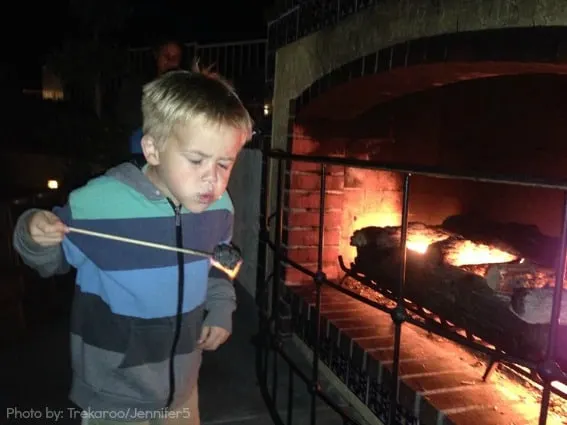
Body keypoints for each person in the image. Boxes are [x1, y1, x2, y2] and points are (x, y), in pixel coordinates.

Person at [13, 68, 253, 424]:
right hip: (114, 394)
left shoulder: (219, 208)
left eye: (224, 163)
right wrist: (31, 231)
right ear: (153, 149)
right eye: (197, 160)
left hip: (184, 388)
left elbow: (218, 260)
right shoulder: (99, 203)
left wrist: (220, 308)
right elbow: (49, 261)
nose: (212, 178)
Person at [115, 38, 185, 158]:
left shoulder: (185, 86)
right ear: (156, 55)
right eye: (166, 56)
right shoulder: (139, 84)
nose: (170, 61)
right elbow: (127, 117)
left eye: (175, 57)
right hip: (143, 147)